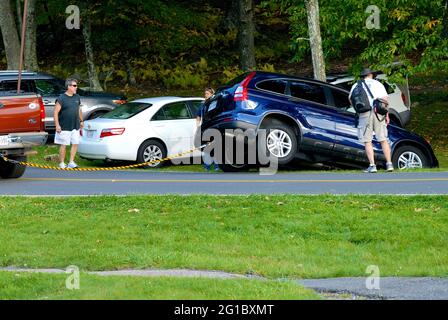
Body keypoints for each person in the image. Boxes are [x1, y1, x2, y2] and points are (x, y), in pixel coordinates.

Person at [349, 68, 394, 173]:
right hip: (378, 113)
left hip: (364, 113)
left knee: (367, 141)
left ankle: (372, 166)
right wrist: (386, 115)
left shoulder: (356, 85)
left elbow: (351, 99)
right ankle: (389, 164)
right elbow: (385, 100)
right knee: (383, 139)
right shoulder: (378, 84)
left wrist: (359, 109)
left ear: (363, 76)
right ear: (371, 75)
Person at [54, 78, 84, 169]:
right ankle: (62, 163)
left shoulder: (77, 97)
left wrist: (81, 121)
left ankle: (71, 162)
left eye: (76, 86)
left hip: (75, 125)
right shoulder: (61, 98)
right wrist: (57, 125)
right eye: (74, 86)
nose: (76, 87)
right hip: (64, 126)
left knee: (75, 143)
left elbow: (79, 109)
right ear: (68, 86)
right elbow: (55, 113)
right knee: (64, 144)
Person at [196, 87, 219, 171]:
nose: (206, 95)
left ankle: (217, 165)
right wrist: (198, 126)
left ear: (212, 94)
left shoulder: (215, 104)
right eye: (205, 94)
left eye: (208, 94)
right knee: (206, 147)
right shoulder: (202, 104)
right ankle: (207, 166)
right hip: (204, 128)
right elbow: (198, 116)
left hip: (213, 127)